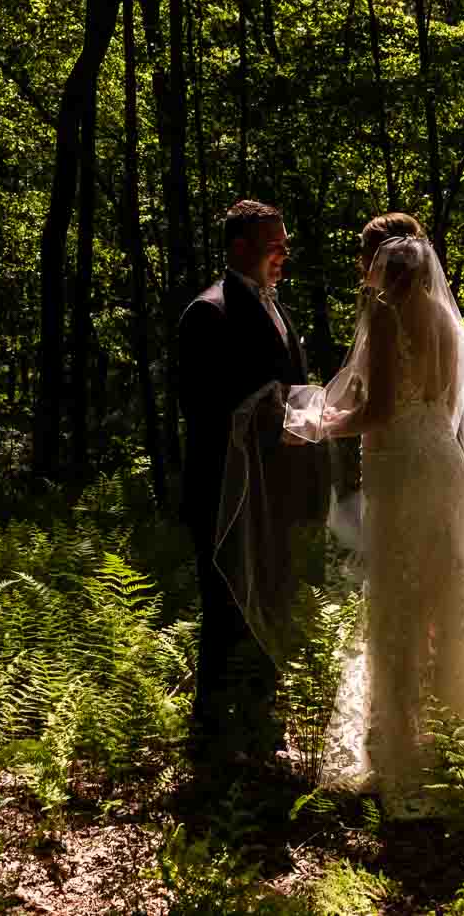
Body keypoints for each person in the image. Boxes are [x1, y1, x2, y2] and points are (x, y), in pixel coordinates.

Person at [222, 213, 464, 818]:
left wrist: (323, 427)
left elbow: (380, 407)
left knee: (399, 601)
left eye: (364, 261)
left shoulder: (386, 316)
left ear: (379, 262)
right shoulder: (441, 317)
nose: (363, 273)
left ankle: (402, 760)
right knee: (447, 592)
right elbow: (435, 400)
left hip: (402, 471)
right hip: (442, 464)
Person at [175, 199, 314, 761]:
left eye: (284, 243)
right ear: (238, 249)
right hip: (223, 492)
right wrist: (275, 421)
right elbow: (208, 410)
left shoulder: (275, 307)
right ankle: (209, 733)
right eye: (273, 244)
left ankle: (261, 723)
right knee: (226, 605)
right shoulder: (208, 313)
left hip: (271, 491)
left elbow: (288, 386)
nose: (283, 253)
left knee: (270, 597)